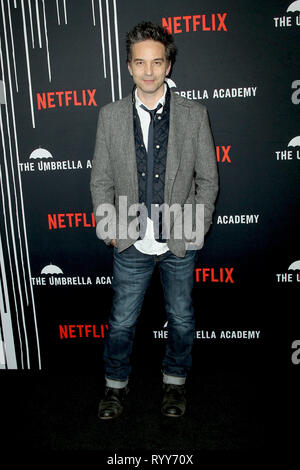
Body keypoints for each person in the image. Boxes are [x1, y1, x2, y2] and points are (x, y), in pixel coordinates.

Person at [90, 21, 218, 419]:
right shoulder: (110, 116)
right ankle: (115, 387)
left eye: (157, 62)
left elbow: (208, 179)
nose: (148, 71)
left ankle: (175, 385)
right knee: (122, 322)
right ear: (129, 66)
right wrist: (110, 229)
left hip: (178, 242)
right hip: (129, 240)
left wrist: (194, 228)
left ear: (168, 65)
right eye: (140, 63)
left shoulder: (194, 115)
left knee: (181, 318)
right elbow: (102, 179)